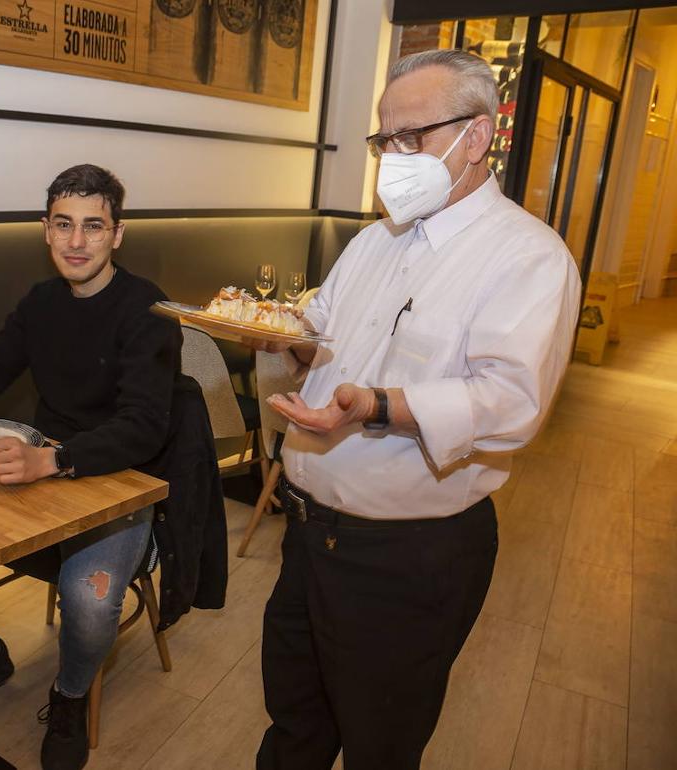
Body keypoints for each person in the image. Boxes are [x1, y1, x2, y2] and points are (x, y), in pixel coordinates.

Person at [253, 50, 581, 770]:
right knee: (294, 724)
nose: (393, 158)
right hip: (309, 533)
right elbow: (322, 338)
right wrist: (283, 340)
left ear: (478, 136)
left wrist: (374, 405)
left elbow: (510, 402)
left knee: (381, 743)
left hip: (407, 556)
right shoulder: (373, 242)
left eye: (413, 138)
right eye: (385, 140)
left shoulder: (529, 257)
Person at [0, 164, 182, 770]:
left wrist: (52, 460)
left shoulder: (148, 310)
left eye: (93, 226)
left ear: (117, 234)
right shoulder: (41, 301)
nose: (76, 241)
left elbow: (144, 427)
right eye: (64, 225)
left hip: (119, 482)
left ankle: (68, 695)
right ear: (45, 230)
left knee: (88, 599)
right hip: (43, 468)